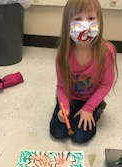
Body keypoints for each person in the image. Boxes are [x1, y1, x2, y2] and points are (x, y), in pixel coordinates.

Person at [50, 0, 118, 144]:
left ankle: (98, 108)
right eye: (78, 19)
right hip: (70, 97)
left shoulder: (106, 52)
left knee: (79, 137)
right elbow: (61, 86)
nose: (85, 24)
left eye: (91, 18)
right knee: (58, 133)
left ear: (99, 20)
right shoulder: (63, 54)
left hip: (90, 99)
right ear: (67, 22)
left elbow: (106, 84)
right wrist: (64, 107)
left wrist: (89, 108)